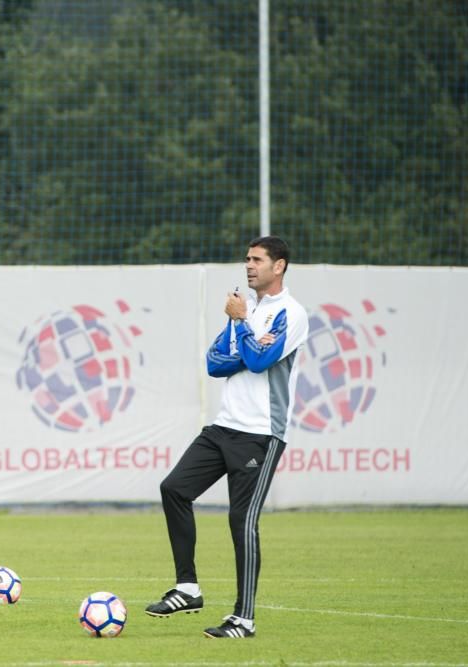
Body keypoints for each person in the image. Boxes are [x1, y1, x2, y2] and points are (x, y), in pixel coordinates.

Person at [145, 236, 308, 638]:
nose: (249, 265)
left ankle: (244, 619)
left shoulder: (291, 313)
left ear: (279, 265)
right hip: (223, 427)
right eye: (247, 259)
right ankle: (187, 588)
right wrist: (246, 331)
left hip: (260, 435)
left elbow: (258, 360)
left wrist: (245, 328)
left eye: (257, 260)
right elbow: (215, 363)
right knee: (174, 489)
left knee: (242, 520)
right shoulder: (244, 308)